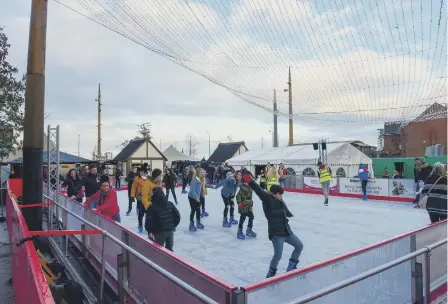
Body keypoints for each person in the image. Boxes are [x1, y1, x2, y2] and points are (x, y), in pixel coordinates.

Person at [241, 170, 303, 278]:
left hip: (287, 231)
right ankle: (271, 273)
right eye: (280, 194)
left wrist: (289, 214)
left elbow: (285, 210)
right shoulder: (267, 199)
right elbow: (258, 189)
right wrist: (249, 180)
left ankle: (291, 266)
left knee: (299, 246)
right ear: (274, 194)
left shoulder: (280, 201)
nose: (281, 196)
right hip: (276, 234)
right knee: (278, 256)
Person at [145, 187, 181, 251]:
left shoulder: (151, 207)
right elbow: (177, 216)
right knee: (169, 250)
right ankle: (169, 261)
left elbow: (149, 221)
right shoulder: (170, 204)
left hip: (159, 232)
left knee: (159, 251)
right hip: (170, 231)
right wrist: (172, 226)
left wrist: (150, 231)